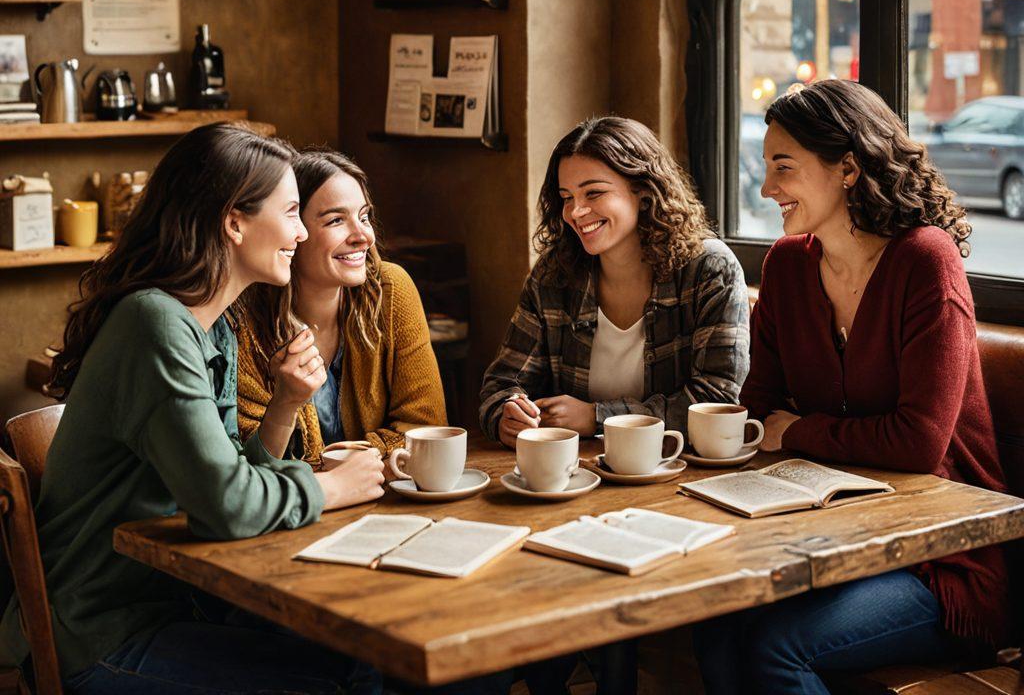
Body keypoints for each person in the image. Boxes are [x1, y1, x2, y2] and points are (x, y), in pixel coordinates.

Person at [0, 124, 386, 694]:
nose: (302, 232)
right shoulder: (154, 324)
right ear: (234, 222)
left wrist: (284, 406)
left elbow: (226, 478)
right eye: (290, 212)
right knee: (344, 682)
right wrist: (331, 488)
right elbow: (226, 507)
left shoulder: (210, 326)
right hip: (103, 634)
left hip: (180, 606)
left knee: (365, 662)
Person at [696, 80, 1010, 694]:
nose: (766, 188)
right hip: (829, 534)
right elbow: (758, 409)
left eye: (783, 167)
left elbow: (919, 444)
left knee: (778, 647)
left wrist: (799, 432)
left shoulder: (925, 261)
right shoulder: (787, 265)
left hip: (938, 560)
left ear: (846, 169)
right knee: (713, 623)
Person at [479, 116, 750, 448]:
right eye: (566, 197)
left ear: (644, 192)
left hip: (677, 467)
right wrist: (506, 414)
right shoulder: (553, 275)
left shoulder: (711, 270)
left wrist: (597, 416)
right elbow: (502, 384)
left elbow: (716, 400)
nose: (576, 212)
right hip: (575, 469)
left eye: (593, 193)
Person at [234, 148, 447, 465]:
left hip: (380, 491)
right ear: (293, 231)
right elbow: (248, 463)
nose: (363, 237)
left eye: (364, 217)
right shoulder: (242, 324)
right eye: (336, 220)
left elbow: (426, 429)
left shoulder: (390, 291)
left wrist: (337, 466)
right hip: (298, 499)